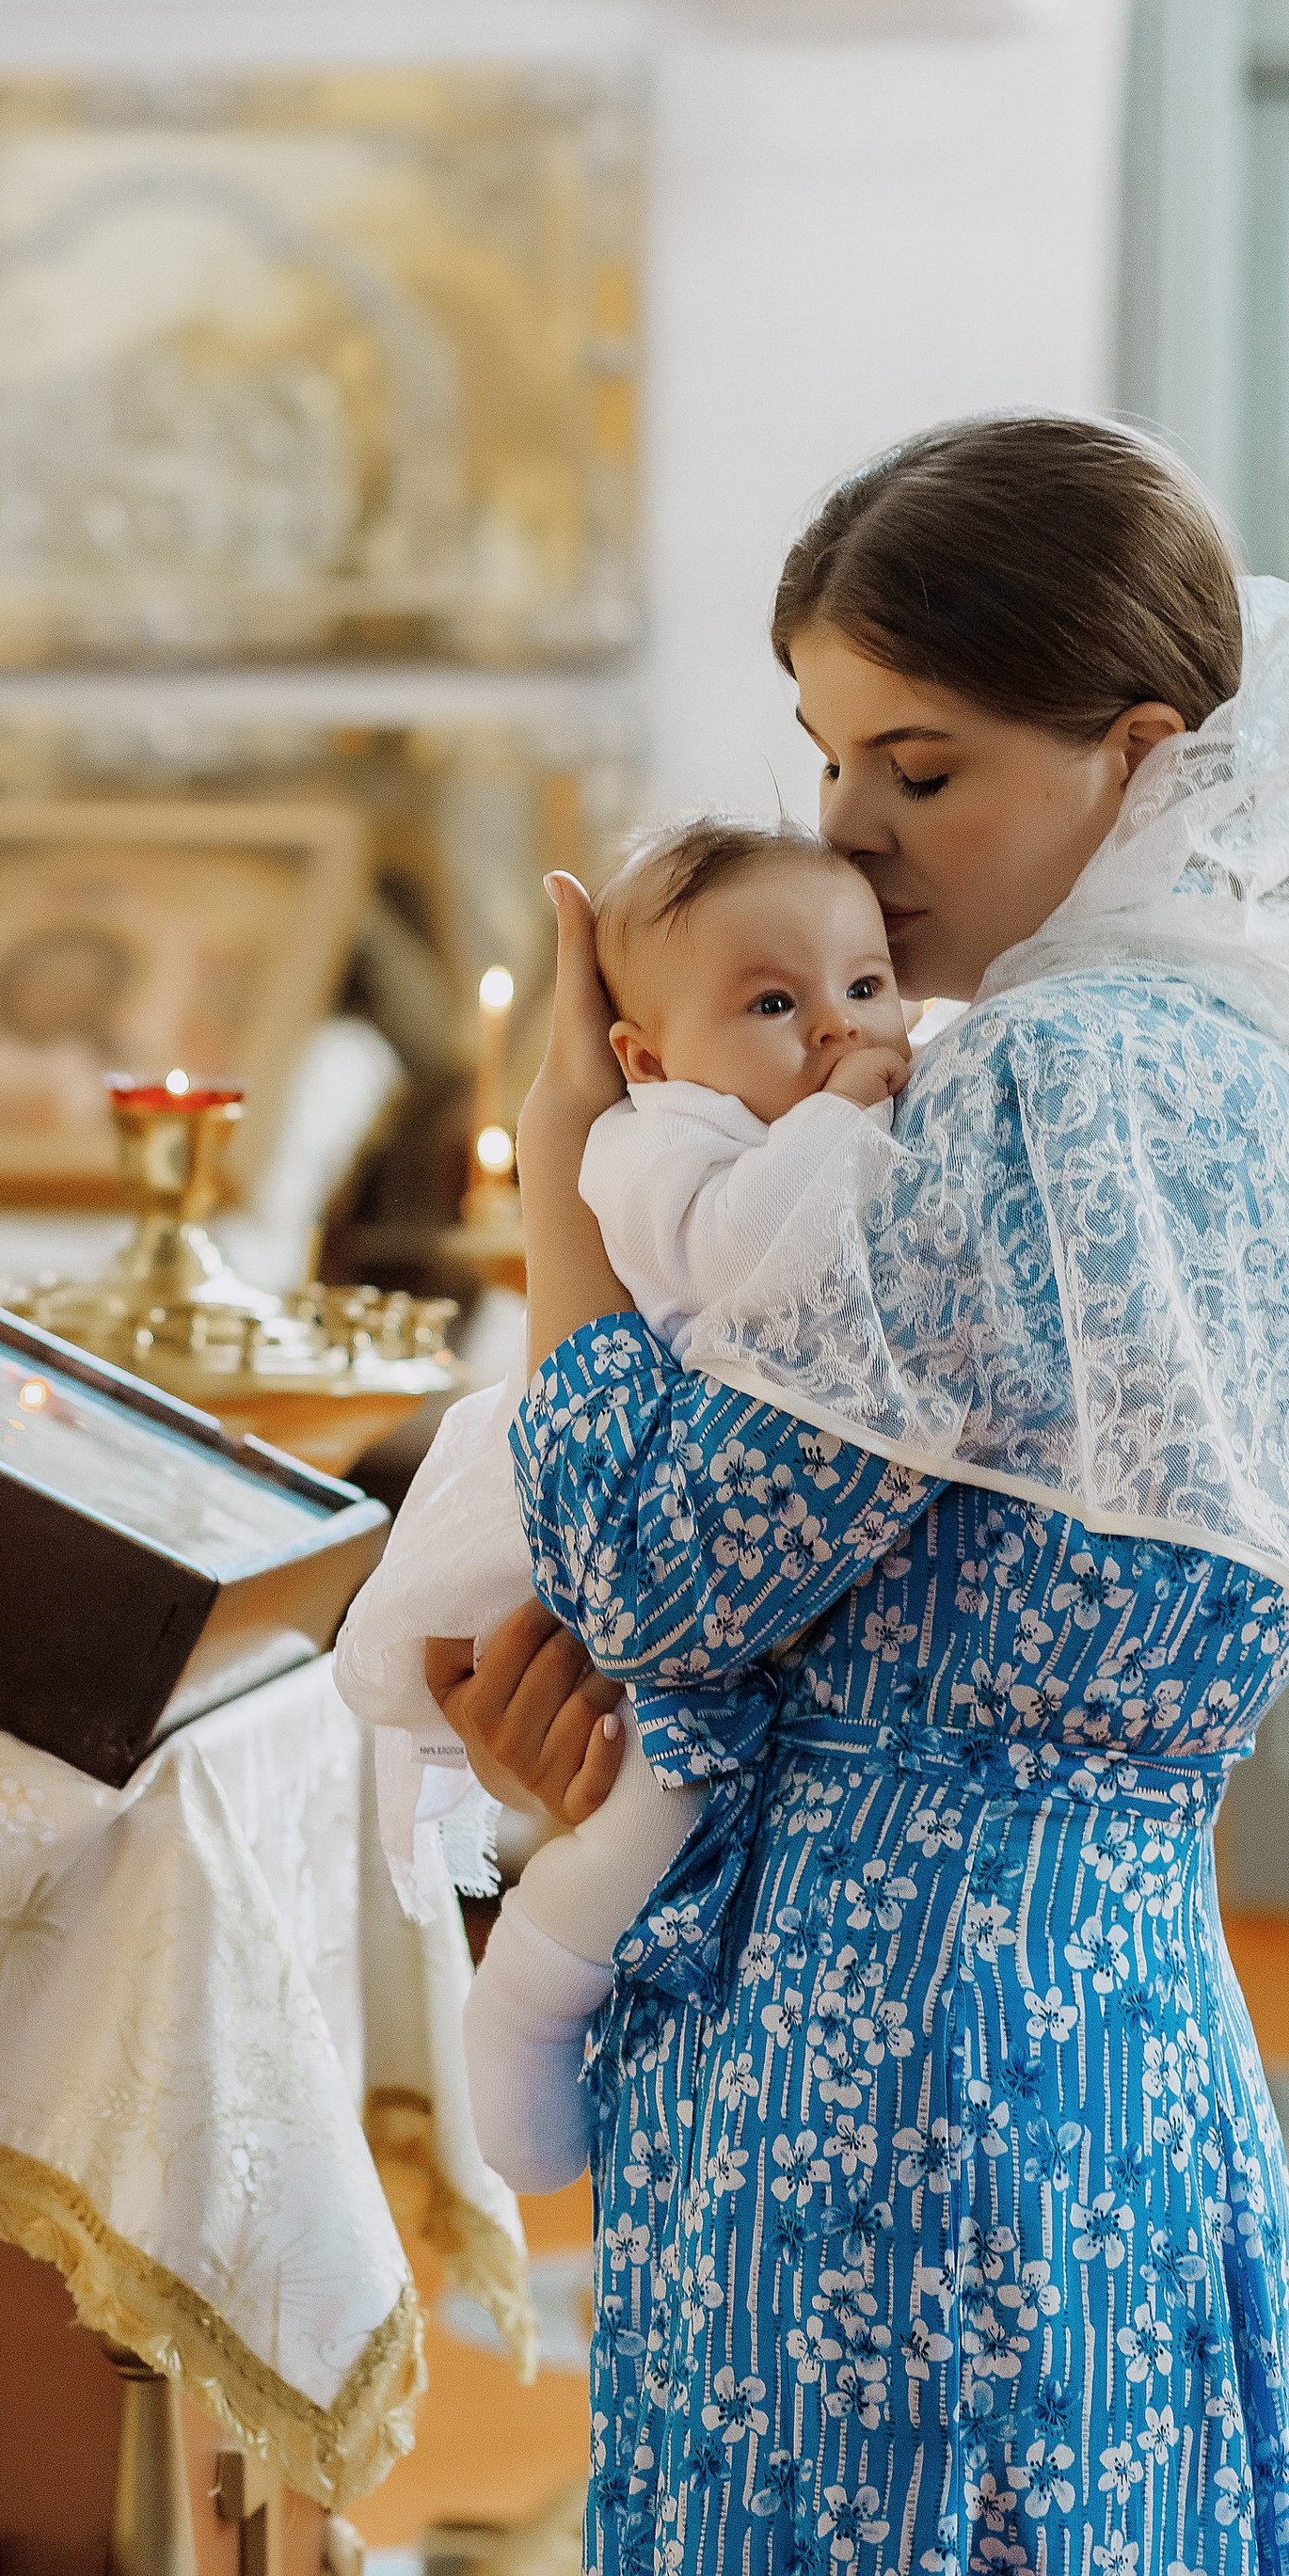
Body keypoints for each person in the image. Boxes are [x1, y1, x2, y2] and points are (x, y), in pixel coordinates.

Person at [428, 413, 1289, 2576]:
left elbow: (667, 1561)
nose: (847, 836)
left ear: (1135, 755)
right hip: (1106, 2018)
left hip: (877, 2060)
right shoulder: (1250, 1064)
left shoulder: (1046, 1093)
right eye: (823, 759)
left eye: (920, 766)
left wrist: (560, 1213)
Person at [335, 817, 915, 2185]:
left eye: (867, 986)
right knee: (657, 1804)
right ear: (648, 1058)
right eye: (774, 1005)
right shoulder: (655, 1144)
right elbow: (740, 1247)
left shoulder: (836, 1110)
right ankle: (528, 1999)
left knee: (678, 1799)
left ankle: (543, 1985)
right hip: (592, 1485)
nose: (837, 1031)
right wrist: (845, 1114)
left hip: (698, 1500)